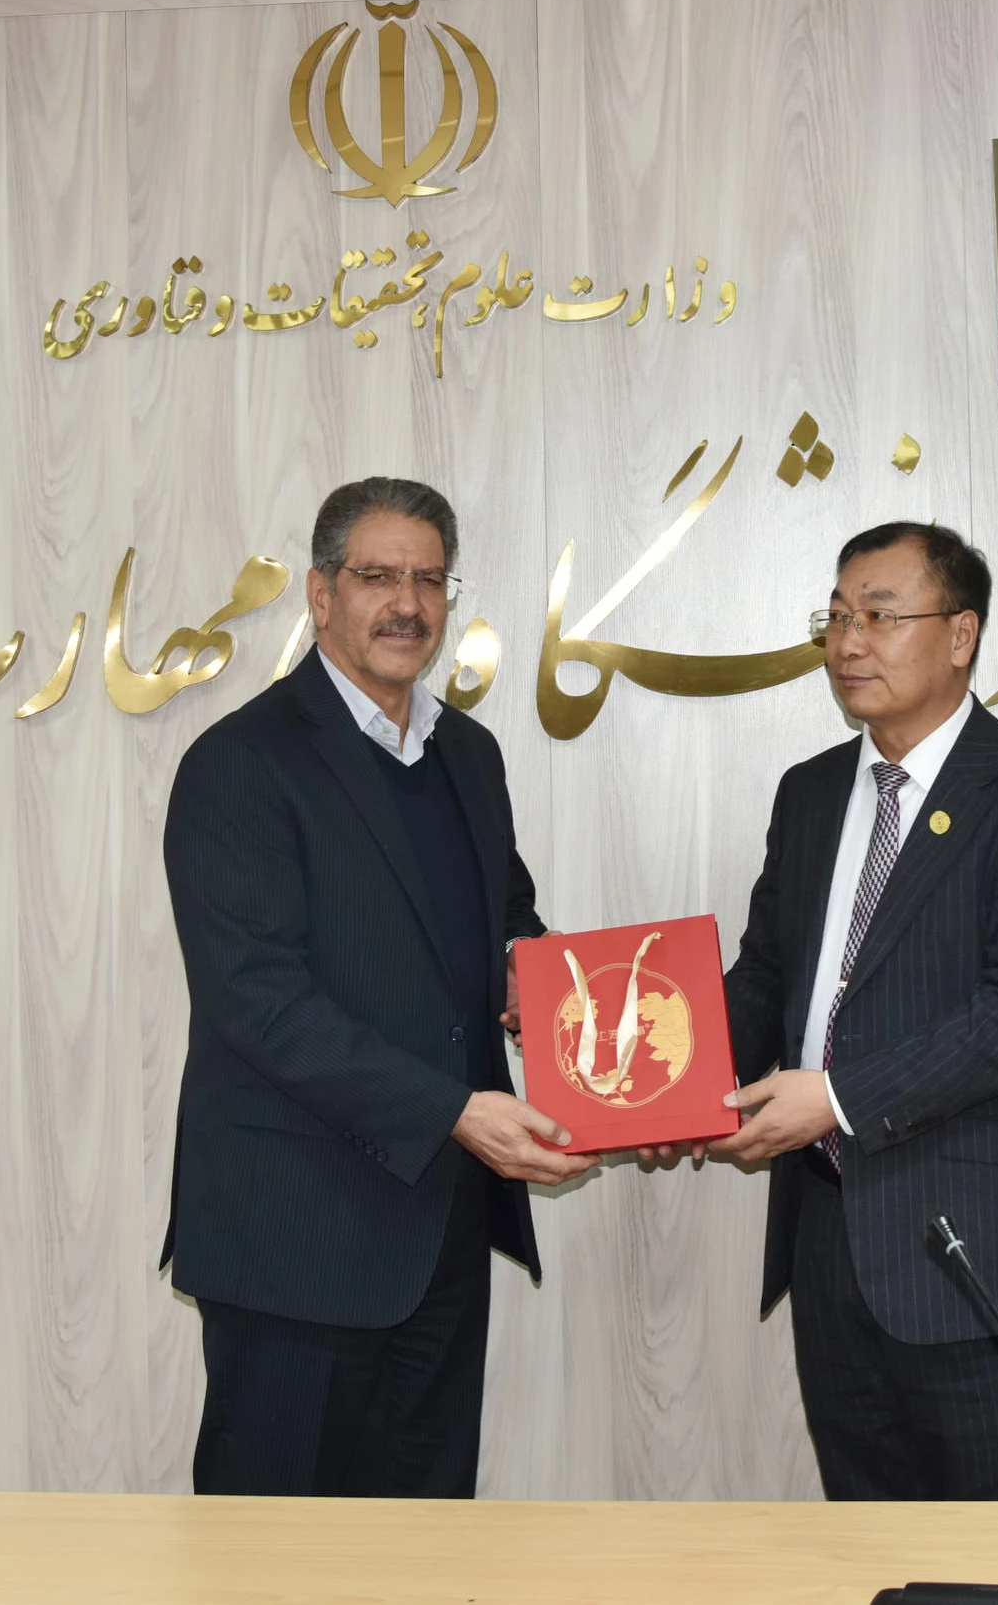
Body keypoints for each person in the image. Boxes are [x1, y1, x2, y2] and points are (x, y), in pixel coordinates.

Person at [652, 521, 998, 1499]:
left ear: (961, 635)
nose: (849, 642)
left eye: (880, 615)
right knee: (865, 1545)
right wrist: (666, 1085)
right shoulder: (811, 793)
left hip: (974, 1258)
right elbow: (767, 976)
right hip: (832, 1252)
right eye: (837, 617)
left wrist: (837, 1098)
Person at [162, 477, 592, 1497]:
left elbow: (504, 918)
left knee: (427, 1547)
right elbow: (260, 1002)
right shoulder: (241, 763)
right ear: (321, 595)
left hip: (441, 1230)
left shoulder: (468, 754)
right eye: (378, 577)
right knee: (277, 1556)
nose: (408, 603)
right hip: (295, 1240)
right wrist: (456, 1111)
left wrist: (557, 999)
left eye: (430, 580)